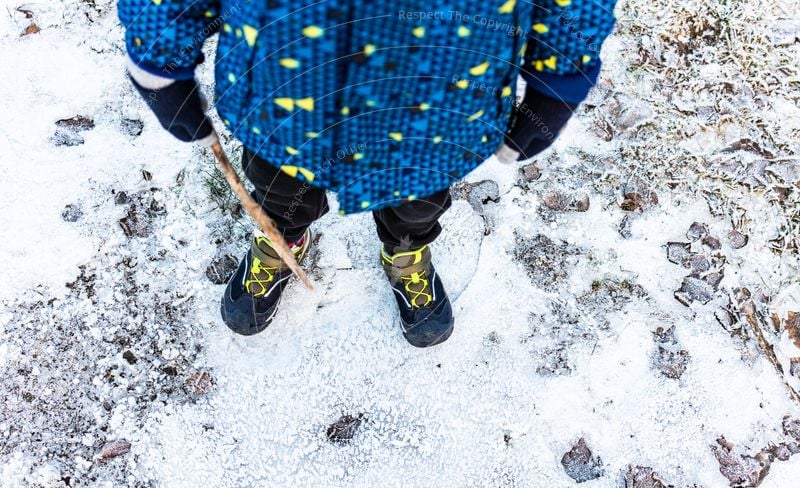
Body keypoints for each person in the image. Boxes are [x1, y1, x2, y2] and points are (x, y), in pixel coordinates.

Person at [118, 0, 617, 347]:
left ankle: (406, 249)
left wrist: (560, 76)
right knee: (278, 189)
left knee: (416, 200)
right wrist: (160, 60)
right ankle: (283, 239)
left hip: (437, 105)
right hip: (284, 92)